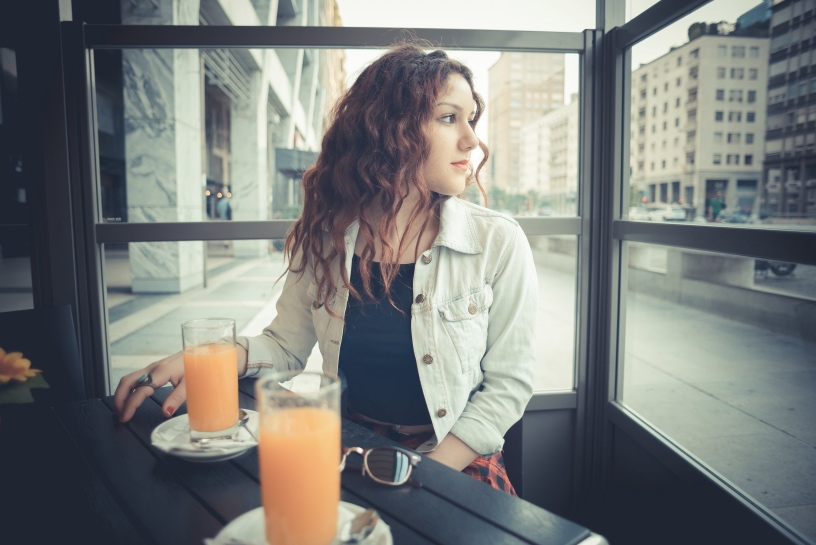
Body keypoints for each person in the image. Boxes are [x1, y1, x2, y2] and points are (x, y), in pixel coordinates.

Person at [114, 42, 538, 495]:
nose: (473, 139)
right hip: (350, 451)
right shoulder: (326, 236)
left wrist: (427, 472)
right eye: (449, 117)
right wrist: (209, 360)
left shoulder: (496, 241)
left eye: (471, 119)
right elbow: (284, 345)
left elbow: (507, 386)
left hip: (454, 460)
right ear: (389, 129)